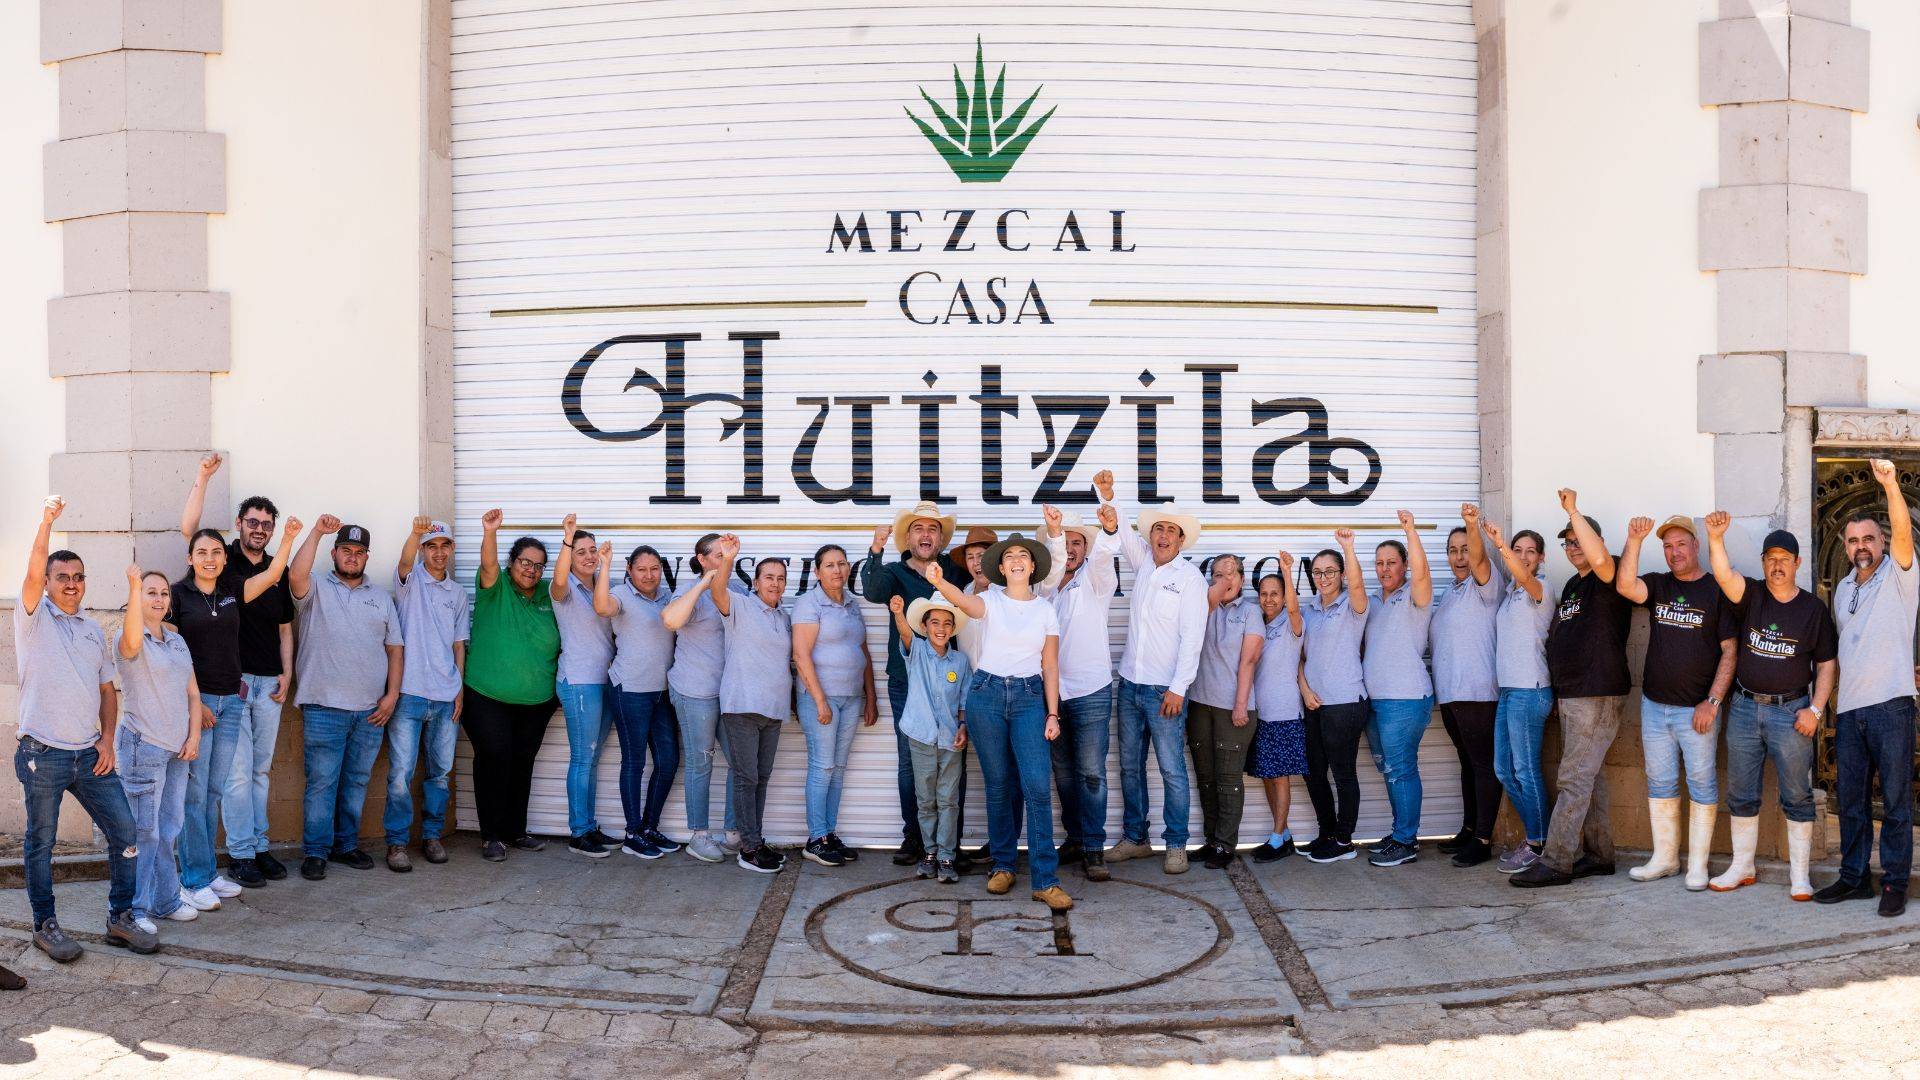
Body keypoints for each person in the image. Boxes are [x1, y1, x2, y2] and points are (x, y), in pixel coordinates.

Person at [13, 496, 154, 960]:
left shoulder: (93, 630)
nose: (71, 584)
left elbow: (108, 691)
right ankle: (45, 925)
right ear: (48, 583)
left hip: (90, 754)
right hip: (43, 753)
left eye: (78, 577)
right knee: (41, 842)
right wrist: (46, 521)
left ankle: (120, 918)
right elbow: (33, 569)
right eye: (62, 577)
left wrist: (107, 740)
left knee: (125, 833)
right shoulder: (33, 618)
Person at [927, 532, 1072, 910]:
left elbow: (1050, 665)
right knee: (998, 786)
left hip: (1029, 698)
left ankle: (1045, 880)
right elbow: (964, 603)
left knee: (1036, 787)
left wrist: (1052, 712)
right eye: (1010, 557)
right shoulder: (989, 600)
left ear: (1033, 566)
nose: (1017, 560)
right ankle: (1003, 865)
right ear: (1002, 568)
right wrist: (940, 582)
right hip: (986, 695)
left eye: (1023, 555)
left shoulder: (1045, 609)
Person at [1702, 512, 1838, 900]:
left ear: (1797, 563)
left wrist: (1815, 710)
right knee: (1741, 792)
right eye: (1771, 558)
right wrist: (1716, 538)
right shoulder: (1752, 595)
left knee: (1796, 794)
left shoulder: (1812, 609)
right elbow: (1724, 575)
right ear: (1763, 563)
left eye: (1785, 559)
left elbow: (1827, 665)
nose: (1777, 566)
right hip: (1745, 708)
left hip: (1790, 712)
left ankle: (1800, 875)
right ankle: (1742, 866)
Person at [178, 453, 297, 883]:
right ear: (240, 524)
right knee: (236, 774)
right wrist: (203, 477)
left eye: (267, 524)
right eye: (252, 521)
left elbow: (285, 624)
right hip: (229, 686)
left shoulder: (270, 572)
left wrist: (287, 672)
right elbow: (190, 529)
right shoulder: (221, 564)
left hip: (268, 682)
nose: (258, 529)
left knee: (259, 770)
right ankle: (241, 853)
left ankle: (258, 847)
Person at [1511, 491, 1634, 889]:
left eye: (1580, 539)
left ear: (1597, 542)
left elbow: (1600, 559)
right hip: (1573, 696)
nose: (1573, 547)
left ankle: (1557, 861)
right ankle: (1598, 855)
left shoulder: (1609, 571)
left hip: (1597, 693)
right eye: (1567, 542)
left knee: (1573, 778)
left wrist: (1572, 510)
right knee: (1589, 777)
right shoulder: (1573, 586)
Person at [1613, 514, 1735, 891]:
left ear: (1696, 546)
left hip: (1697, 710)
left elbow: (1730, 651)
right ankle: (1665, 859)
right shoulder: (1659, 584)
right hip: (1654, 707)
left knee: (1701, 782)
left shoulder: (1716, 590)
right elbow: (1625, 586)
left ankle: (1697, 866)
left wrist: (1712, 702)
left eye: (1681, 544)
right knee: (1660, 781)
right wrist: (1634, 540)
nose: (1674, 552)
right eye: (1667, 546)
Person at [1820, 459, 1917, 917]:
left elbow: (1904, 532)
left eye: (1869, 539)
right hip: (1850, 710)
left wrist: (1891, 485)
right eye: (1854, 540)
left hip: (1892, 706)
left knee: (1896, 801)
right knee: (1852, 802)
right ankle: (1855, 878)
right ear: (1845, 545)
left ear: (1882, 543)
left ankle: (1895, 882)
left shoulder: (1900, 575)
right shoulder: (1843, 588)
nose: (1862, 546)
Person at [289, 517, 403, 881]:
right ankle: (316, 851)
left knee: (356, 782)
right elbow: (295, 575)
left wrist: (391, 696)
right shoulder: (316, 588)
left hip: (370, 712)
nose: (352, 556)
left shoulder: (381, 598)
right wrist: (316, 533)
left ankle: (346, 845)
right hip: (323, 706)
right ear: (334, 553)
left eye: (359, 552)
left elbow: (395, 649)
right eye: (346, 550)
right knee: (322, 783)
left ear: (367, 557)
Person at [861, 502, 970, 866]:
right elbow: (872, 591)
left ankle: (950, 846)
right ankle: (915, 839)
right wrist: (876, 548)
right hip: (907, 682)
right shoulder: (894, 572)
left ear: (941, 539)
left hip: (949, 681)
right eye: (919, 529)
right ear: (908, 538)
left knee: (953, 760)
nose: (926, 535)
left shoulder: (953, 570)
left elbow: (979, 584)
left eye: (933, 529)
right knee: (910, 762)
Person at [1105, 493, 1209, 875]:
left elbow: (1192, 639)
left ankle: (1176, 844)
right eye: (1158, 529)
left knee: (1171, 770)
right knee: (1130, 768)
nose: (1163, 536)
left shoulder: (1190, 580)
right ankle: (1136, 838)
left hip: (1164, 692)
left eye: (1170, 531)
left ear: (1181, 540)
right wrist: (1108, 496)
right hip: (1130, 684)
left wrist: (1179, 688)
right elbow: (1121, 531)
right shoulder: (1145, 562)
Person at [462, 509, 561, 862]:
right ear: (512, 562)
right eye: (525, 562)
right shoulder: (496, 586)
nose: (531, 570)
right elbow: (488, 564)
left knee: (522, 762)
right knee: (494, 756)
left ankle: (515, 831)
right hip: (486, 695)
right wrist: (489, 532)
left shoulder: (548, 594)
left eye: (538, 565)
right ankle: (491, 836)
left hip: (536, 700)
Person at [115, 565, 204, 935]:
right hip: (143, 747)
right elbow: (133, 640)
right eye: (150, 592)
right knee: (144, 834)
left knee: (169, 828)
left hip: (177, 749)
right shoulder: (128, 638)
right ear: (137, 599)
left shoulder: (176, 640)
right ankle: (133, 910)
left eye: (163, 593)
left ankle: (165, 900)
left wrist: (194, 736)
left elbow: (193, 694)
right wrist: (133, 586)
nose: (159, 598)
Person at [1040, 489, 1121, 881]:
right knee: (1063, 773)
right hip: (1052, 693)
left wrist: (1109, 531)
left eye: (1077, 543)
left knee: (1091, 773)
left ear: (1086, 548)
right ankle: (1075, 838)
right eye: (1064, 542)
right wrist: (1055, 537)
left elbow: (1104, 556)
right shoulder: (1043, 587)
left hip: (1090, 690)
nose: (1071, 549)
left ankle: (1093, 848)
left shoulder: (1097, 580)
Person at [385, 516, 470, 872]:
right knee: (400, 774)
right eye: (430, 546)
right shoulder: (410, 582)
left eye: (443, 546)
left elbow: (459, 645)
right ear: (423, 550)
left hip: (446, 697)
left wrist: (459, 689)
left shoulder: (458, 594)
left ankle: (432, 836)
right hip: (409, 694)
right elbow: (404, 561)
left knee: (439, 773)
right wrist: (414, 533)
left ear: (451, 550)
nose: (438, 552)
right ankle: (397, 843)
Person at [706, 535, 793, 873]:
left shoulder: (783, 617)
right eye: (768, 577)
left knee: (762, 777)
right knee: (746, 778)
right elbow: (717, 591)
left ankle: (755, 839)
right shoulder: (740, 606)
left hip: (773, 709)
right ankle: (749, 849)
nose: (775, 583)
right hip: (742, 706)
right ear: (755, 582)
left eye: (780, 578)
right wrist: (728, 558)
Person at [792, 543, 879, 867]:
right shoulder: (808, 604)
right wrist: (819, 701)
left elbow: (862, 651)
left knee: (838, 768)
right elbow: (801, 655)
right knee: (823, 766)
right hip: (821, 697)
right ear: (817, 572)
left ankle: (829, 833)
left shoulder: (852, 605)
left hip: (851, 697)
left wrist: (871, 697)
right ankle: (815, 838)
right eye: (829, 565)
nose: (837, 570)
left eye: (841, 563)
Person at [595, 542, 681, 860]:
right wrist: (605, 565)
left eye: (654, 569)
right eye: (641, 569)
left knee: (668, 761)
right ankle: (632, 833)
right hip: (629, 690)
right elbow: (602, 607)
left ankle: (649, 827)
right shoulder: (620, 594)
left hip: (662, 693)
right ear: (629, 570)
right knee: (634, 762)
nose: (648, 575)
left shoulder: (667, 598)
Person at [1361, 511, 1435, 868]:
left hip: (1405, 700)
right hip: (1376, 702)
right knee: (1390, 769)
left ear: (1405, 565)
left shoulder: (1415, 596)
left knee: (1401, 769)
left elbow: (1422, 574)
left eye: (1391, 562)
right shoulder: (1374, 601)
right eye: (1379, 563)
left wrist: (1410, 531)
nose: (1384, 568)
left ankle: (1406, 841)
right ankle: (1399, 833)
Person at [1481, 519, 1555, 874]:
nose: (1524, 557)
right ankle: (1537, 836)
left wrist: (1499, 544)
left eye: (1530, 552)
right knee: (1504, 770)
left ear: (1541, 558)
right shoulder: (1510, 594)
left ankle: (1539, 843)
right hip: (1509, 691)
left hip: (1530, 690)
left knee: (1525, 769)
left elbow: (1524, 577)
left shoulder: (1540, 588)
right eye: (1518, 550)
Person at [1431, 504, 1502, 868]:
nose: (1460, 557)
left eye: (1464, 549)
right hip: (1451, 694)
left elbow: (1478, 560)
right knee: (1467, 763)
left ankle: (1483, 839)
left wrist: (1471, 526)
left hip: (1478, 693)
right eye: (1452, 551)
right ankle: (1469, 827)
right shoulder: (1450, 592)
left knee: (1483, 765)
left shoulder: (1485, 585)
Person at [661, 532, 738, 862]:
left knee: (739, 761)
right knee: (701, 762)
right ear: (702, 560)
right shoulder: (688, 590)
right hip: (695, 691)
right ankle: (699, 835)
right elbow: (671, 620)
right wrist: (704, 582)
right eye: (718, 555)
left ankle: (732, 832)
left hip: (728, 692)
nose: (725, 560)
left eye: (728, 554)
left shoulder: (737, 591)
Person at [888, 594, 973, 883]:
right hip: (921, 737)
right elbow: (904, 633)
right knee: (925, 799)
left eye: (947, 623)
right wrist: (898, 613)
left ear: (953, 629)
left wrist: (963, 727)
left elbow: (963, 700)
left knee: (948, 800)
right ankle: (930, 853)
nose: (941, 628)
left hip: (950, 740)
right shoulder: (918, 652)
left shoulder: (960, 661)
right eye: (934, 622)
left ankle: (947, 856)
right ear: (924, 627)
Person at [1186, 553, 1263, 870]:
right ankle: (1210, 839)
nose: (1225, 579)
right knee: (1205, 777)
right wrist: (1212, 596)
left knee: (1228, 779)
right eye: (1218, 574)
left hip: (1234, 707)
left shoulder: (1250, 612)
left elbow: (1249, 660)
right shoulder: (1202, 607)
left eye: (1231, 574)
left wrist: (1240, 704)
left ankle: (1225, 844)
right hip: (1199, 703)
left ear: (1242, 579)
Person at [1298, 529, 1368, 864]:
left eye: (1330, 571)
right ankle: (1326, 833)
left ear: (1341, 574)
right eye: (1317, 572)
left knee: (1343, 773)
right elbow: (1299, 657)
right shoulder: (1308, 611)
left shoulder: (1353, 606)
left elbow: (1358, 586)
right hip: (1314, 704)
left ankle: (1343, 840)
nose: (1323, 577)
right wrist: (1304, 689)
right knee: (1313, 771)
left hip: (1345, 703)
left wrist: (1348, 548)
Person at [550, 515, 618, 858]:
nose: (589, 556)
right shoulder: (563, 590)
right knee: (582, 757)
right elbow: (559, 578)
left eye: (592, 550)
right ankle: (579, 833)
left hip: (604, 681)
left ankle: (589, 826)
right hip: (579, 682)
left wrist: (604, 566)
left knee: (592, 758)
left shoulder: (603, 585)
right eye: (581, 552)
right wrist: (567, 538)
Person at [1246, 556, 1307, 861]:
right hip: (1261, 713)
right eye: (1264, 594)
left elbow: (1294, 610)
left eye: (1275, 594)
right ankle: (1282, 835)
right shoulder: (1257, 624)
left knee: (1280, 776)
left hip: (1283, 712)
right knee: (1268, 775)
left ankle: (1277, 838)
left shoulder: (1292, 624)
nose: (1268, 599)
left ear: (1284, 597)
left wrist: (1287, 571)